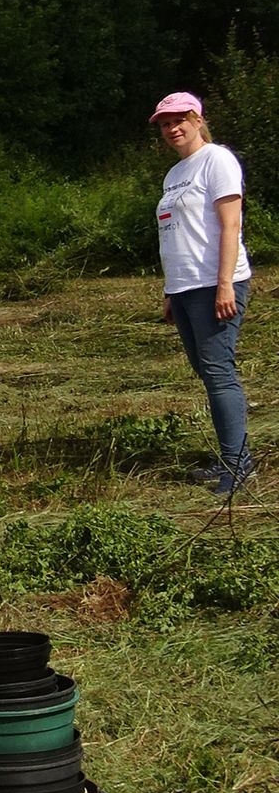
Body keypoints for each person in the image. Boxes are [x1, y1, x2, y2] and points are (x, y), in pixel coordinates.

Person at [152, 92, 254, 495]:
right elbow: (173, 236)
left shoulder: (218, 160)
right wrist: (170, 292)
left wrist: (225, 283)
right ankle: (231, 455)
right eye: (164, 123)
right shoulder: (175, 174)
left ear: (197, 119)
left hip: (216, 284)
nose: (171, 129)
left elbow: (230, 225)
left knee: (218, 371)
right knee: (208, 374)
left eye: (179, 120)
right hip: (185, 288)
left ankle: (237, 465)